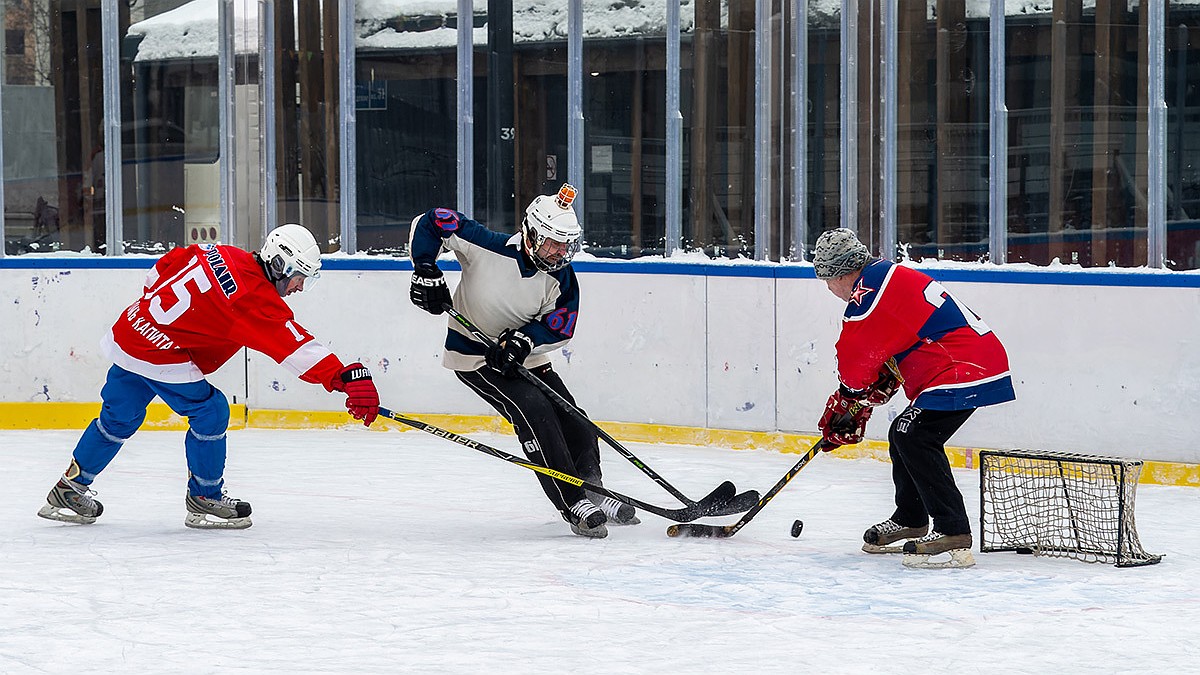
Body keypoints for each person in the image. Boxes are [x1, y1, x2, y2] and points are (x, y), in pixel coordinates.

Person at [37, 224, 380, 530]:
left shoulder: (223, 252)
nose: (300, 287)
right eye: (298, 277)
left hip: (132, 331)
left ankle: (70, 487)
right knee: (211, 410)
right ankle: (205, 496)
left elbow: (169, 262)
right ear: (279, 266)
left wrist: (150, 307)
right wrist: (347, 376)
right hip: (161, 351)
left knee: (117, 418)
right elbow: (294, 345)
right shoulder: (252, 297)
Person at [408, 184, 636, 539]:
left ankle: (594, 488)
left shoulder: (561, 276)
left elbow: (561, 323)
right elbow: (431, 222)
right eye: (552, 242)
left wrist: (525, 339)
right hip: (474, 356)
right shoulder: (486, 244)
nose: (560, 251)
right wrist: (426, 268)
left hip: (526, 358)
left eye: (566, 244)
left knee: (573, 416)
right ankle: (572, 501)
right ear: (530, 234)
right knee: (533, 409)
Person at [812, 228, 1015, 568]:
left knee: (914, 434)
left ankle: (953, 530)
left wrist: (850, 398)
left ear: (840, 273)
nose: (829, 288)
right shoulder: (883, 275)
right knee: (904, 433)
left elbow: (855, 356)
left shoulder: (866, 293)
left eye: (826, 279)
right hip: (966, 360)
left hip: (962, 365)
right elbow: (898, 338)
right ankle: (911, 517)